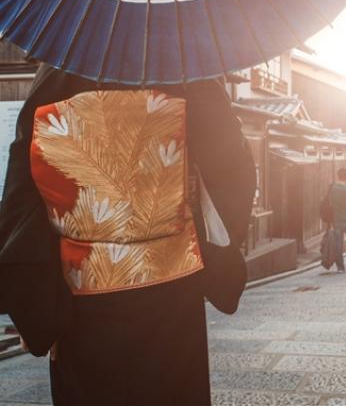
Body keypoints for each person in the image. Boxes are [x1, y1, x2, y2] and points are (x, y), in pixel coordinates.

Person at [0, 65, 256, 406]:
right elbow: (233, 169)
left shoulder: (59, 67)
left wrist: (35, 303)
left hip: (84, 296)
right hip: (171, 292)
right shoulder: (188, 68)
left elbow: (23, 189)